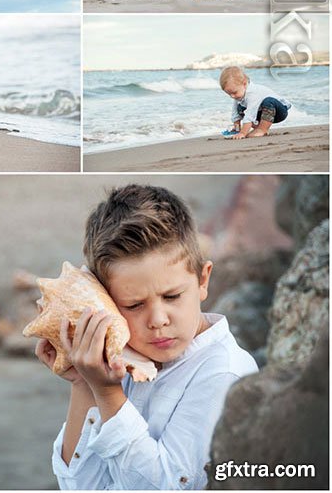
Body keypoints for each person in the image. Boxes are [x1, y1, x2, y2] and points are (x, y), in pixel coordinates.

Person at [35, 182, 257, 490]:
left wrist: (110, 396)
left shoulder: (224, 373)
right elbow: (80, 485)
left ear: (203, 280)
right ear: (107, 303)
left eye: (172, 296)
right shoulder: (122, 364)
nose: (157, 320)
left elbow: (166, 486)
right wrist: (85, 384)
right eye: (134, 305)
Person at [219, 65, 290, 139]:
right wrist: (237, 128)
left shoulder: (252, 93)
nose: (232, 96)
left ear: (244, 84)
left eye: (234, 92)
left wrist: (243, 133)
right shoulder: (239, 95)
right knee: (240, 108)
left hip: (279, 111)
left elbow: (250, 114)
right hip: (262, 113)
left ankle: (262, 129)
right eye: (229, 94)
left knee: (268, 101)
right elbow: (235, 113)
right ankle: (258, 128)